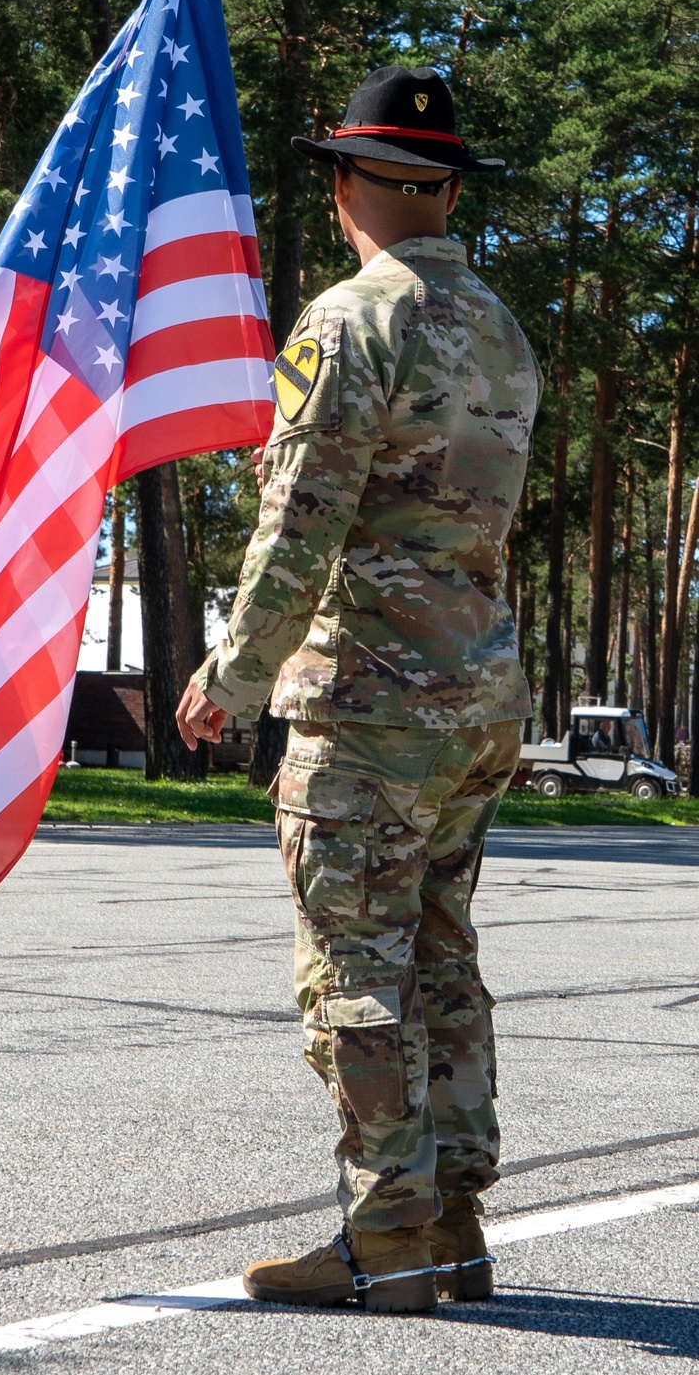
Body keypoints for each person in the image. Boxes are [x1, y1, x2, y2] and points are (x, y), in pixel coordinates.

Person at [176, 65, 542, 1314]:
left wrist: (237, 667)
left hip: (373, 708)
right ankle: (453, 1219)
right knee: (441, 955)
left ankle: (386, 1237)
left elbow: (303, 520)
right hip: (476, 698)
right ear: (441, 188)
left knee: (354, 970)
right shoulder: (501, 326)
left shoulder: (351, 320)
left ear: (346, 186)